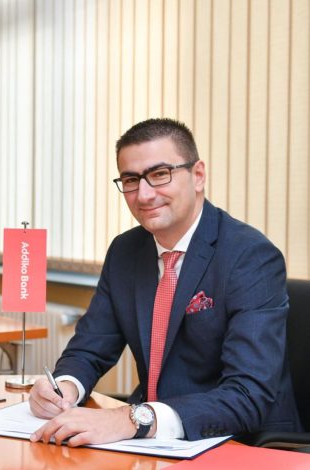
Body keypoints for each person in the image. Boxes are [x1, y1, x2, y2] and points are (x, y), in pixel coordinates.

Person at [29, 118, 302, 445]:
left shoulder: (250, 256)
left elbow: (248, 393)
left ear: (198, 175)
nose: (144, 194)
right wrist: (64, 388)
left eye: (160, 174)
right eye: (131, 180)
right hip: (153, 442)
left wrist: (135, 419)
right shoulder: (125, 251)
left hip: (240, 442)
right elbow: (90, 347)